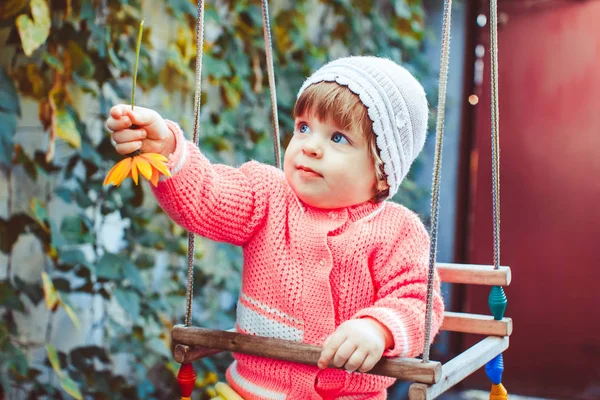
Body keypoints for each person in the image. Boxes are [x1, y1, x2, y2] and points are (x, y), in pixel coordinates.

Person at [105, 56, 444, 399]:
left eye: (338, 138)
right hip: (250, 392)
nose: (310, 147)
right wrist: (166, 149)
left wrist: (377, 329)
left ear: (384, 171)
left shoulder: (397, 231)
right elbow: (207, 197)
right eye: (303, 127)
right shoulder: (267, 196)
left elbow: (418, 301)